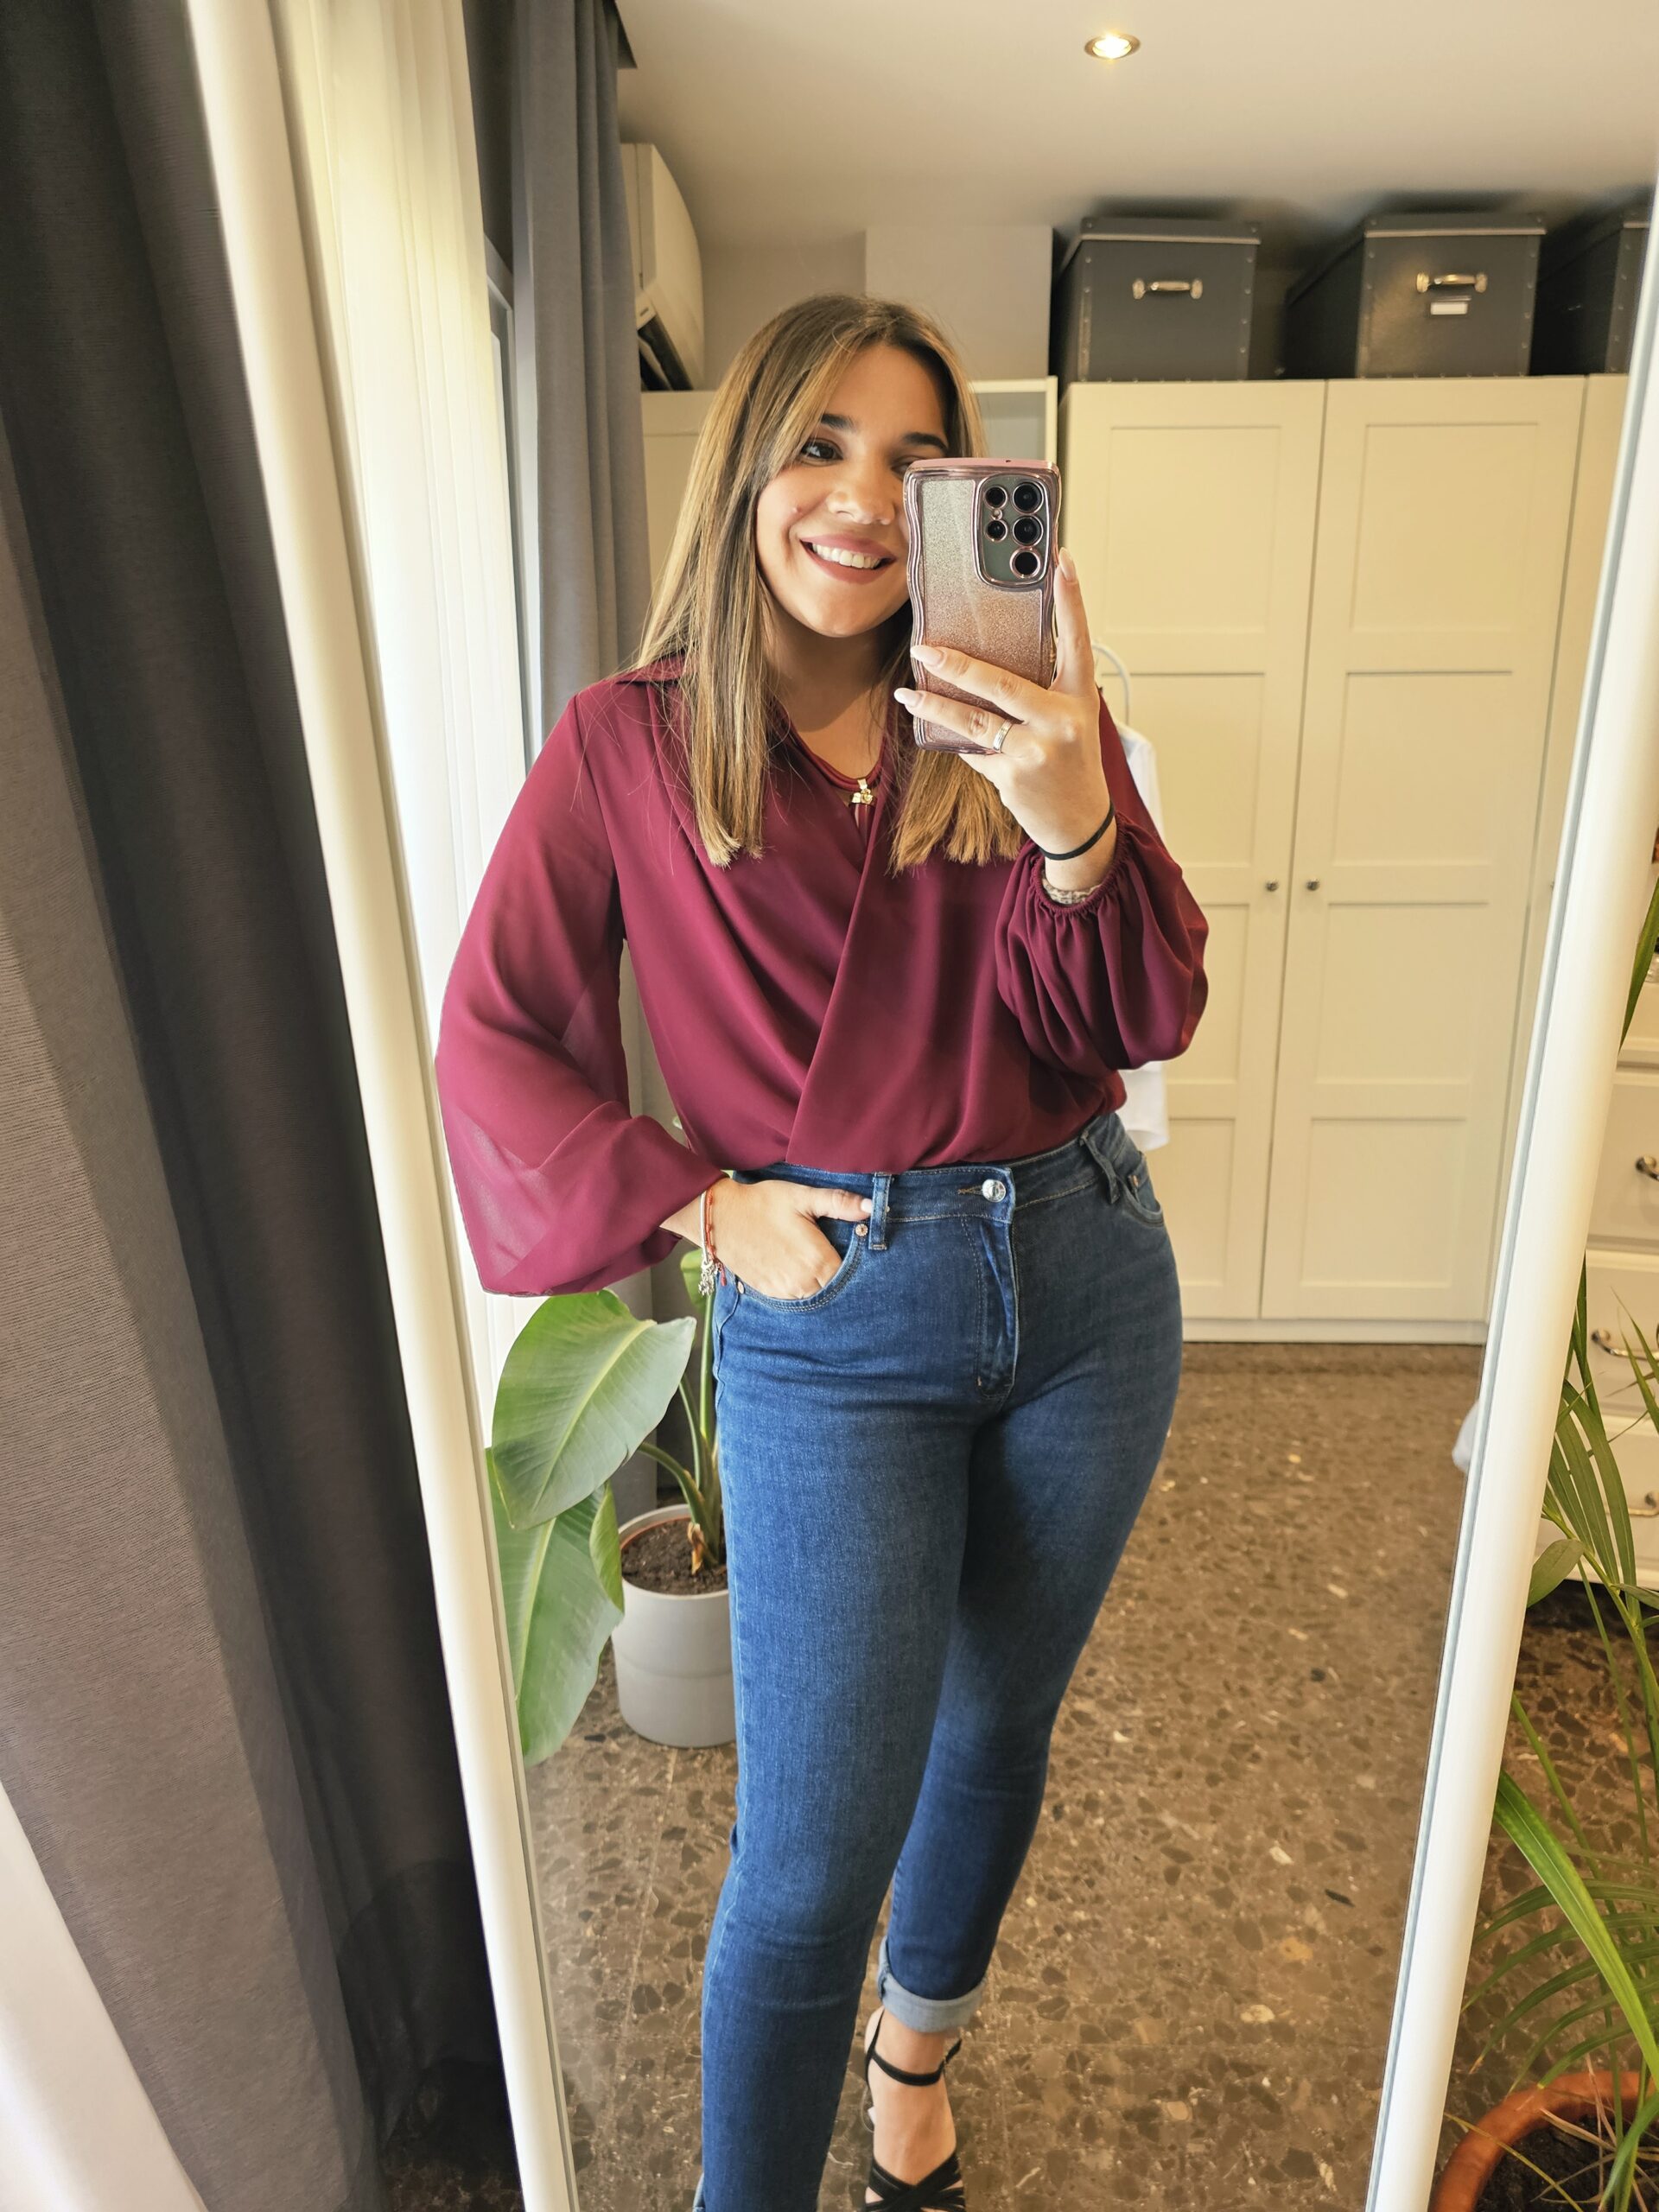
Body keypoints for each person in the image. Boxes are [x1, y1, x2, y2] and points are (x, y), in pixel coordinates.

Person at [435, 292, 1210, 2212]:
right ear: (747, 471)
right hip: (834, 1313)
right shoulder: (628, 747)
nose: (864, 496)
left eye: (914, 460)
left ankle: (915, 2061)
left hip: (1088, 1277)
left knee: (998, 1722)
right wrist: (704, 1202)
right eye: (821, 445)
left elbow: (1136, 1009)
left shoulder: (1014, 715)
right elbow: (496, 1041)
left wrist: (1076, 823)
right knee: (802, 1866)